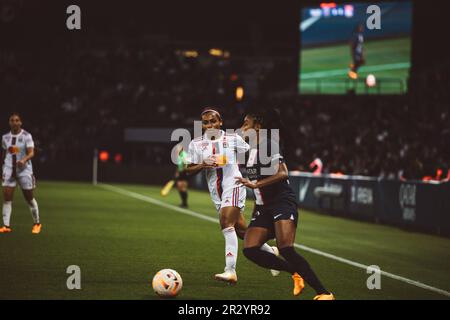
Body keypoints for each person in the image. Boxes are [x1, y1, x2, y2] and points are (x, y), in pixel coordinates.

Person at [236, 110, 334, 300]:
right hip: (263, 206)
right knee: (250, 249)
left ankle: (325, 293)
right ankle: (295, 273)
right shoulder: (250, 149)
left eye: (245, 124)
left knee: (286, 248)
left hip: (281, 202)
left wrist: (256, 184)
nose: (242, 128)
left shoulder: (268, 145)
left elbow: (283, 174)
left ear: (257, 127)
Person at [185, 107, 278, 284]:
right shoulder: (196, 144)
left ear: (220, 122)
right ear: (202, 125)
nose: (210, 124)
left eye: (213, 121)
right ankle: (271, 253)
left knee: (226, 223)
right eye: (206, 122)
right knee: (242, 231)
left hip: (234, 185)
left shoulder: (232, 138)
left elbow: (254, 149)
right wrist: (203, 164)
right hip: (217, 193)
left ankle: (230, 271)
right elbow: (188, 170)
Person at [1, 113, 42, 234]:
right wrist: (3, 168)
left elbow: (31, 153)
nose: (14, 122)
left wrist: (23, 160)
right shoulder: (5, 137)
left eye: (17, 120)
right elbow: (5, 153)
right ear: (9, 122)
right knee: (7, 198)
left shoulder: (26, 136)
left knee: (29, 198)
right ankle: (6, 226)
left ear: (20, 122)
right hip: (9, 169)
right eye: (12, 120)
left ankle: (37, 223)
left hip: (24, 170)